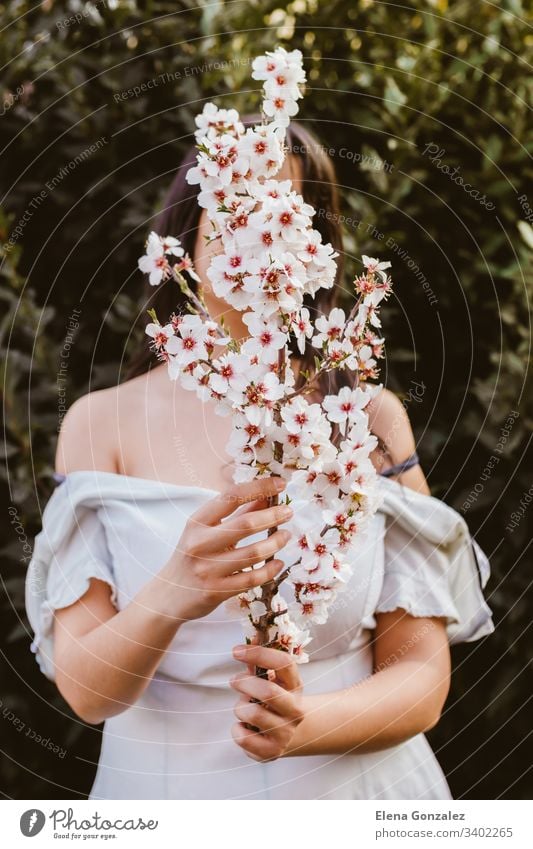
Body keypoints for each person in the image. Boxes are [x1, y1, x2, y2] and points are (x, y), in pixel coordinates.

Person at [26, 121, 494, 800]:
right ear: (185, 240)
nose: (255, 234)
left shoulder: (366, 420)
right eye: (232, 210)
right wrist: (174, 590)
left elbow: (420, 677)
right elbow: (87, 690)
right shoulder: (101, 426)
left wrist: (303, 724)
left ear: (315, 246)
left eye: (279, 211)